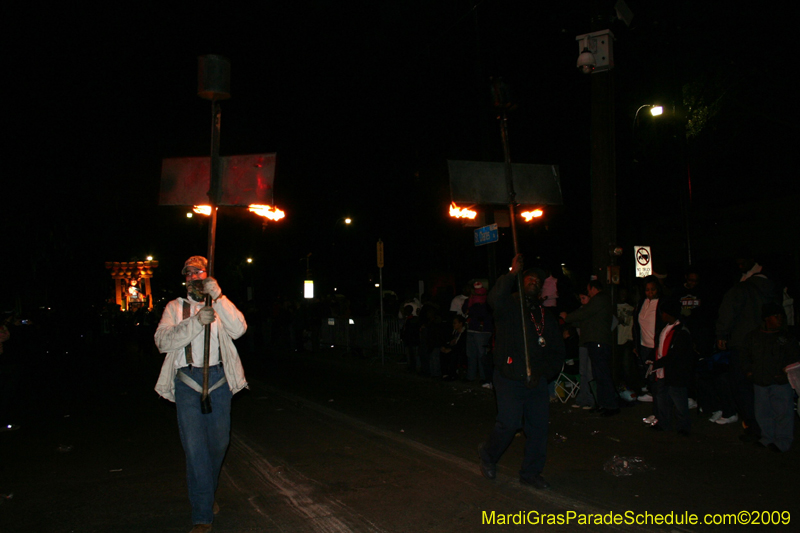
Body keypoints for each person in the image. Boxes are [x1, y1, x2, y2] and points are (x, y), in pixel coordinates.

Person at [154, 256, 248, 533]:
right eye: (189, 273)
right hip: (187, 382)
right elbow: (162, 341)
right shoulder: (175, 307)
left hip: (219, 380)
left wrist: (218, 297)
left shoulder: (220, 304)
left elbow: (239, 329)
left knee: (218, 444)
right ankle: (202, 513)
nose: (194, 276)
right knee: (195, 451)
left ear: (208, 275)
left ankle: (206, 489)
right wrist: (195, 323)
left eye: (199, 272)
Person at [479, 254, 564, 490]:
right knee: (509, 423)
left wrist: (543, 373)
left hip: (535, 380)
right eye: (529, 277)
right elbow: (494, 298)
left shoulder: (546, 316)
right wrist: (512, 273)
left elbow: (557, 353)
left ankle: (531, 472)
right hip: (508, 376)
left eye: (538, 279)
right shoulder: (508, 305)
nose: (534, 281)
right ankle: (488, 454)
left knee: (538, 428)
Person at [739, 303, 800, 452]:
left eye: (781, 316)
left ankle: (783, 442)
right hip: (760, 382)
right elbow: (744, 356)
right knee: (763, 413)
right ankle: (767, 438)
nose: (779, 319)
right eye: (776, 316)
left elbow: (794, 358)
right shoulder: (753, 336)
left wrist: (784, 374)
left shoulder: (786, 337)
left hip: (779, 382)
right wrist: (749, 372)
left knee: (782, 413)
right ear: (766, 318)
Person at [562, 279, 618, 415]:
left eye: (588, 290)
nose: (588, 293)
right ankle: (603, 404)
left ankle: (610, 405)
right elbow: (584, 319)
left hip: (599, 342)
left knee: (602, 374)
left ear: (593, 288)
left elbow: (584, 313)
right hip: (595, 342)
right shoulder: (600, 302)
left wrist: (567, 317)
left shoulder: (599, 300)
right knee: (599, 374)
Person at [647, 298, 695, 435]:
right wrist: (652, 358)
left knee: (679, 401)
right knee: (662, 398)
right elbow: (659, 348)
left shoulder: (681, 332)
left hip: (675, 374)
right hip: (663, 371)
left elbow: (676, 356)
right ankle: (663, 423)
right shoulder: (666, 329)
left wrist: (658, 363)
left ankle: (683, 427)